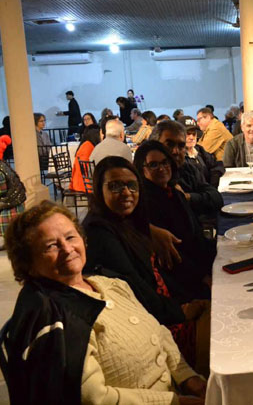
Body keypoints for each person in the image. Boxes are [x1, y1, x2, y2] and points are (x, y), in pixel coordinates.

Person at [4, 201, 207, 404]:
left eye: (70, 237)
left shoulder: (110, 284)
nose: (67, 249)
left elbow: (158, 331)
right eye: (51, 246)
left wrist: (188, 377)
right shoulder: (56, 317)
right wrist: (177, 401)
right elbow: (96, 398)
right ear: (28, 264)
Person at [83, 157, 211, 375]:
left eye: (132, 185)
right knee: (217, 322)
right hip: (151, 324)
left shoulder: (127, 222)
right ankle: (203, 381)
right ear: (98, 190)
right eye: (115, 186)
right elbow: (136, 291)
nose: (126, 192)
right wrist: (182, 310)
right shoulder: (99, 233)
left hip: (162, 305)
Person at [134, 141, 215, 299]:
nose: (162, 168)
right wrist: (204, 278)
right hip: (184, 282)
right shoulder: (146, 202)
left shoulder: (174, 193)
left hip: (200, 266)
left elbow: (196, 235)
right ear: (142, 170)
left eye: (165, 162)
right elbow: (173, 257)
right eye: (153, 165)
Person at [151, 120, 224, 223]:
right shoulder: (148, 176)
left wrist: (187, 197)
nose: (176, 151)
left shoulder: (188, 169)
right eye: (169, 145)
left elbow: (217, 198)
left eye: (181, 146)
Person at [70, 125, 101, 192]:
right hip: (83, 184)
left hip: (80, 181)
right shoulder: (88, 146)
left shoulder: (87, 144)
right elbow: (86, 170)